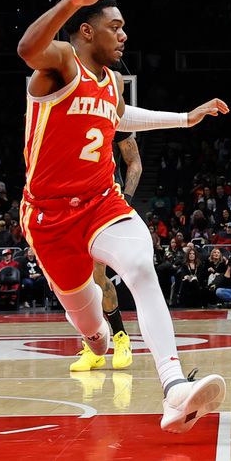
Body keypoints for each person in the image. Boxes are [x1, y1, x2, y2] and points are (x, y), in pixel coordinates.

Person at [16, 0, 225, 433]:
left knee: (138, 266)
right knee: (87, 319)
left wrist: (184, 119)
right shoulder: (62, 64)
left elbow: (120, 118)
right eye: (115, 26)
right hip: (47, 218)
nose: (124, 34)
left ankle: (174, 389)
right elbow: (27, 48)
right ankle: (94, 339)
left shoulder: (111, 83)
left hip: (99, 202)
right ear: (86, 32)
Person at [70, 130, 142, 372]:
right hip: (74, 203)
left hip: (106, 203)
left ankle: (120, 338)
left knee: (96, 277)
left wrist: (126, 199)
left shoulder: (113, 116)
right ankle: (94, 346)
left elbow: (135, 163)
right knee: (78, 282)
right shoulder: (69, 117)